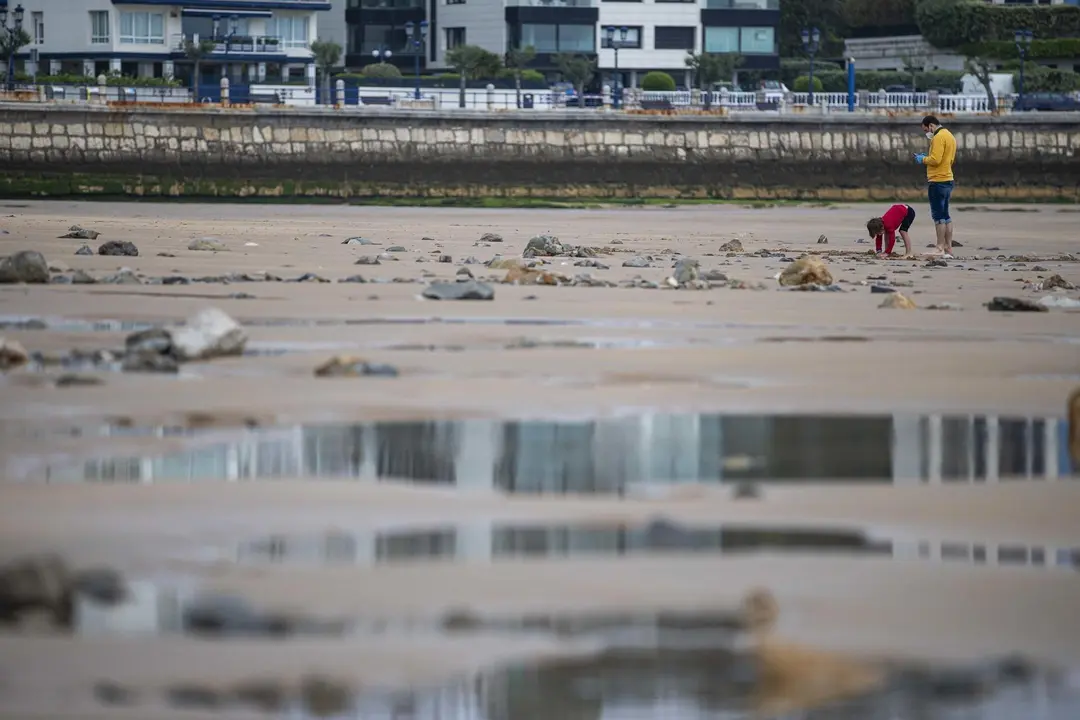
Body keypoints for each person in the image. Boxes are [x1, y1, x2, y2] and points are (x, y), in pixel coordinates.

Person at [913, 115, 957, 258]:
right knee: (946, 215)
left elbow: (936, 160)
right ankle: (948, 247)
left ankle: (939, 247)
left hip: (937, 180)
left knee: (938, 216)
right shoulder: (950, 135)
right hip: (948, 178)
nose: (927, 132)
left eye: (926, 129)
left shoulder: (938, 137)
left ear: (931, 125)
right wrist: (929, 156)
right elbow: (948, 158)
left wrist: (923, 159)